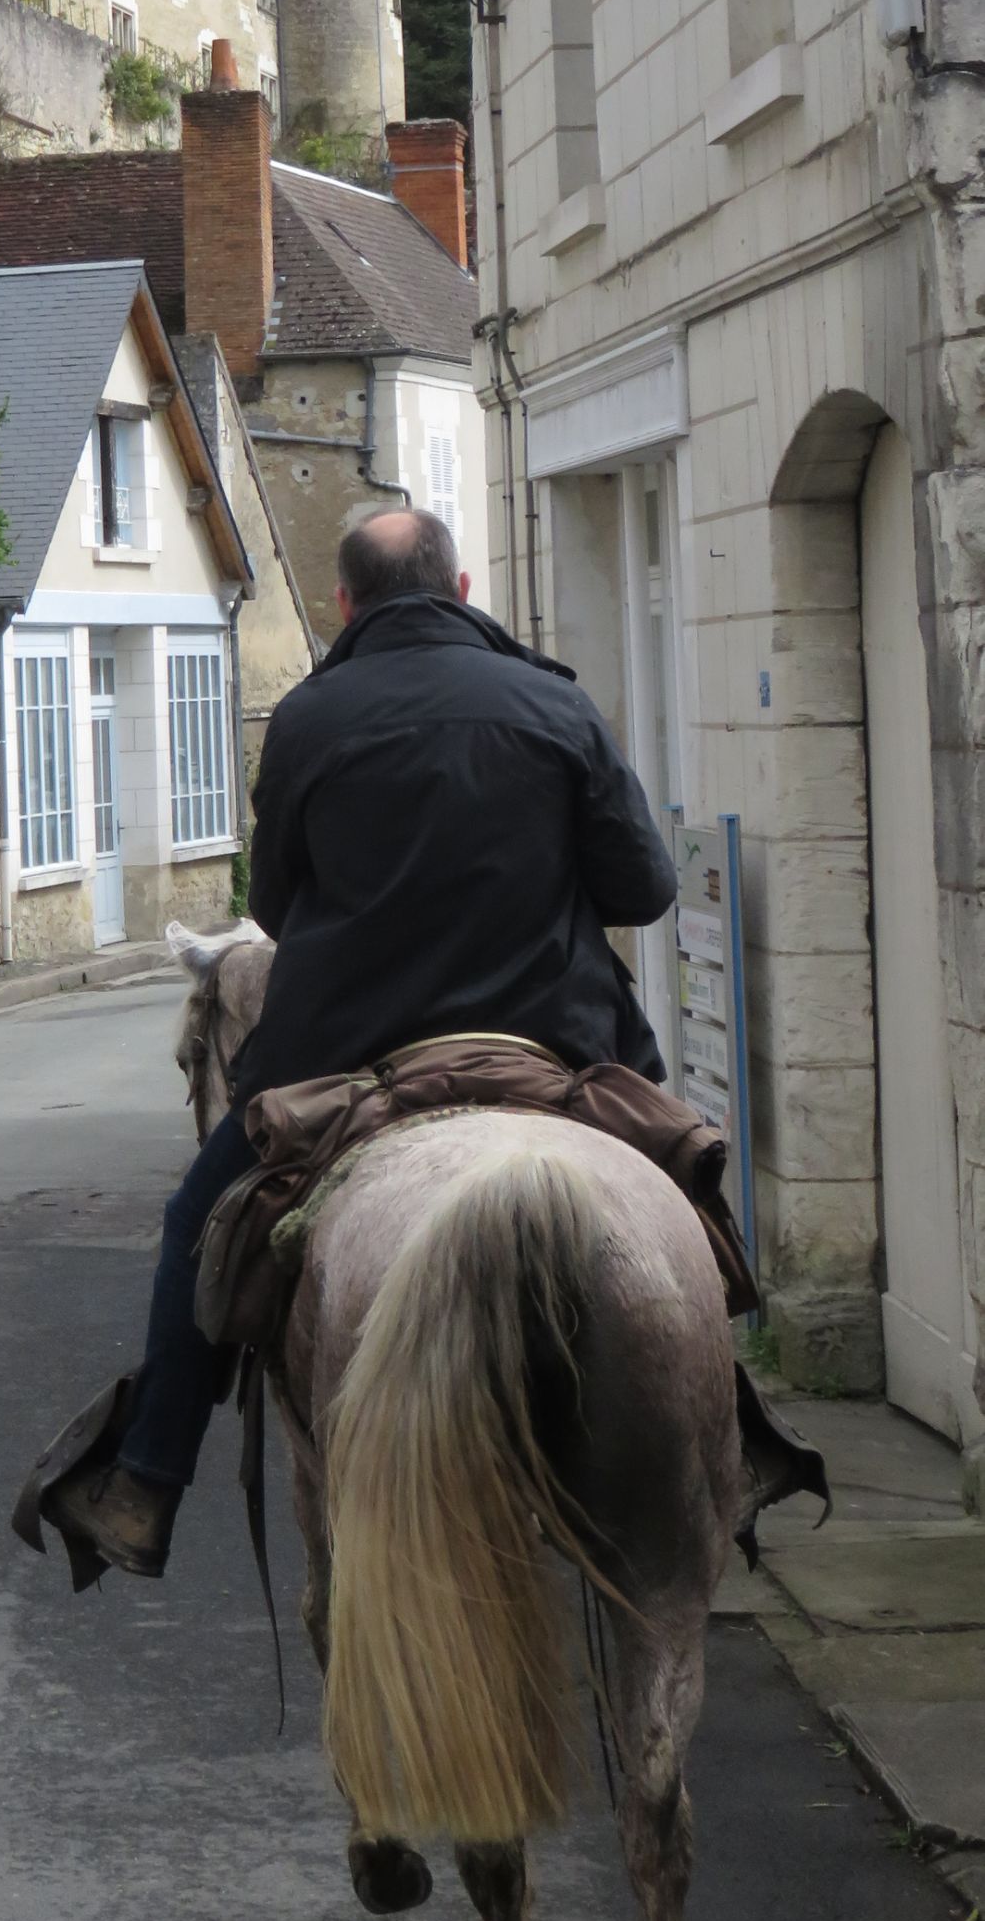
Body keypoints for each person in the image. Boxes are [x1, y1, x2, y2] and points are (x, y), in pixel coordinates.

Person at [42, 502, 680, 1581]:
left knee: (196, 1219)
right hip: (555, 1047)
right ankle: (735, 1430)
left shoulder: (308, 719)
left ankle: (146, 1481)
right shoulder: (553, 703)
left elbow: (281, 913)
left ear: (343, 603)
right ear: (462, 587)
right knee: (681, 1182)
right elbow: (644, 890)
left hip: (344, 1058)